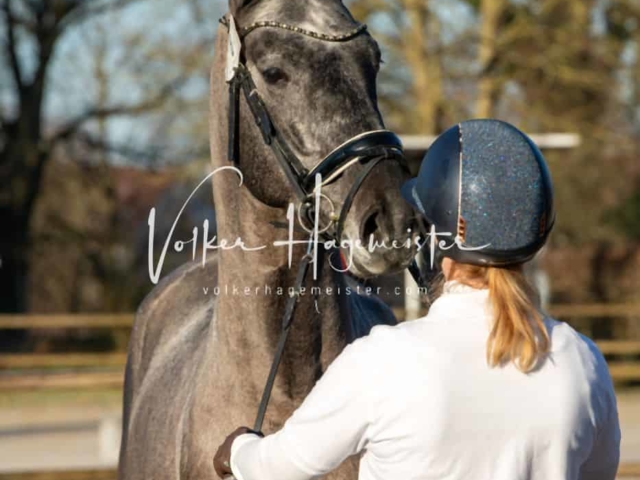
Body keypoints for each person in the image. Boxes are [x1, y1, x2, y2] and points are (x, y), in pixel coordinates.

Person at [213, 119, 621, 480]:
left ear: (435, 238)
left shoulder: (383, 360)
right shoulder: (581, 361)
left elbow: (280, 467)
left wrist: (237, 452)